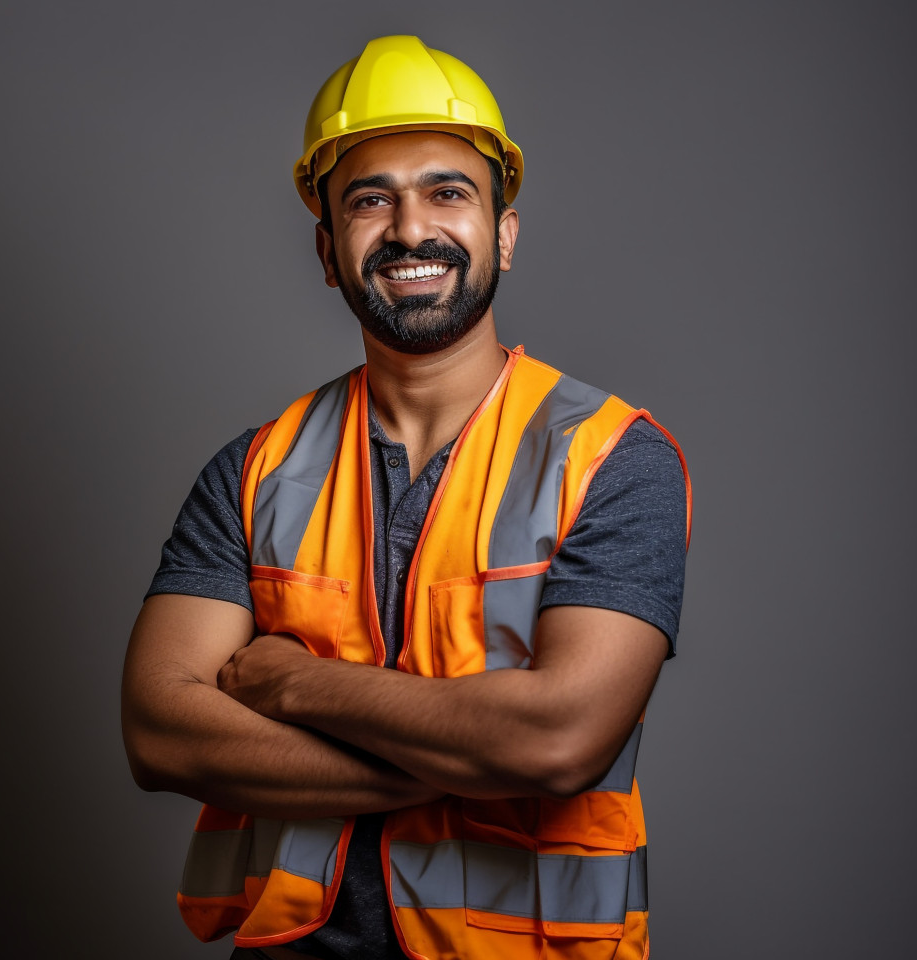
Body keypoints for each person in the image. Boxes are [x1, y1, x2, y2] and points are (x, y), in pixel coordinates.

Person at [122, 35, 691, 960]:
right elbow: (159, 735)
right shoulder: (255, 470)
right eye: (369, 200)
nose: (409, 229)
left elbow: (559, 741)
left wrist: (295, 683)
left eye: (448, 192)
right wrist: (468, 750)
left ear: (503, 231)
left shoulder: (613, 458)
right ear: (326, 247)